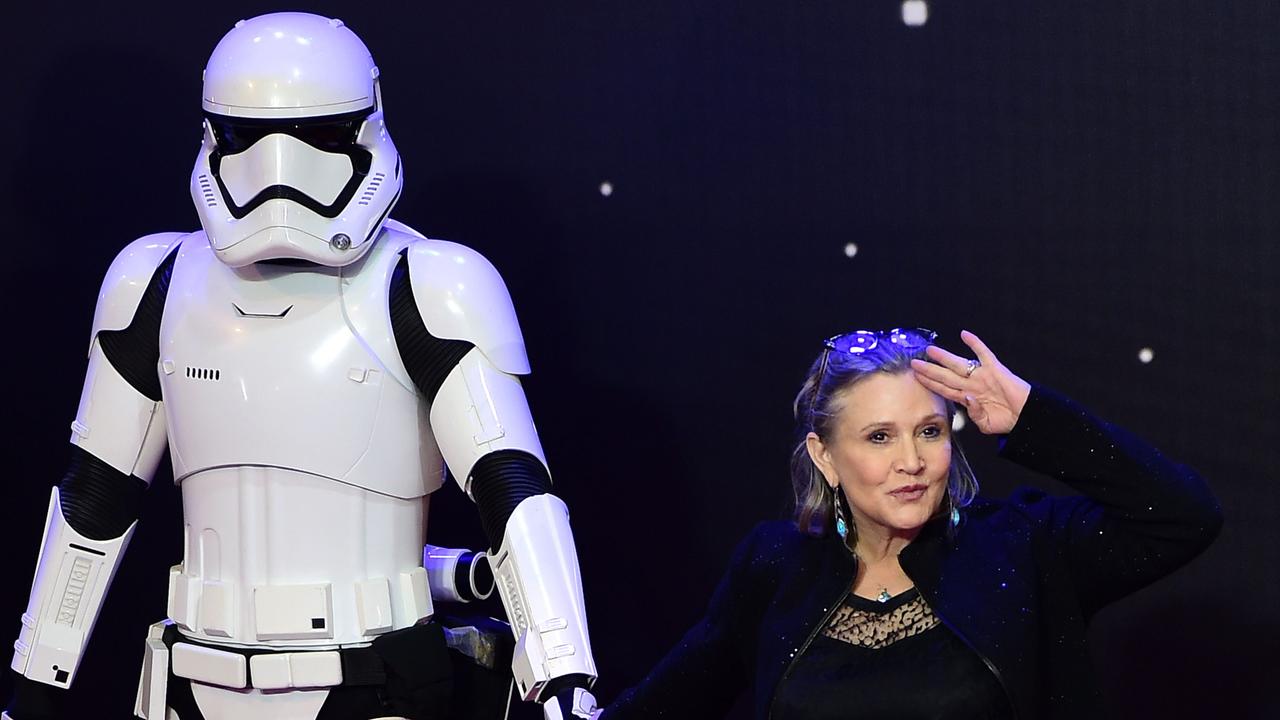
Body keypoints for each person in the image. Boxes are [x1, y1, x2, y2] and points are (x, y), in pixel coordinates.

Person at [5, 12, 599, 720]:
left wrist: (563, 674)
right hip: (189, 679)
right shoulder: (155, 281)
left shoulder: (431, 284)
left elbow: (513, 491)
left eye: (316, 137)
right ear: (212, 134)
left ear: (363, 127)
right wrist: (34, 688)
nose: (278, 173)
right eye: (247, 137)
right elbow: (94, 499)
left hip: (371, 681)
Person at [602, 328, 1222, 719]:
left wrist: (1034, 417)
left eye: (930, 431)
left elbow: (1182, 517)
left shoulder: (1022, 547)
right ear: (826, 457)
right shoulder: (775, 566)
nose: (912, 462)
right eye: (878, 437)